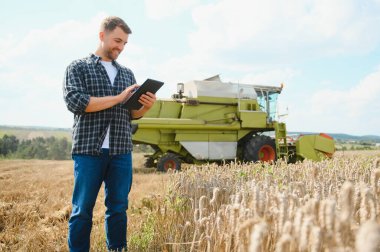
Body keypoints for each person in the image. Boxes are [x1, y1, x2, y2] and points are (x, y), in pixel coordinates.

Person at [63, 16, 156, 251]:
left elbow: (131, 114)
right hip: (88, 151)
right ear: (102, 35)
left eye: (124, 43)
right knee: (82, 210)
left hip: (121, 151)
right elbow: (77, 102)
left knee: (118, 209)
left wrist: (146, 106)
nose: (120, 47)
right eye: (117, 41)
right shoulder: (78, 67)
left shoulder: (127, 74)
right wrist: (119, 98)